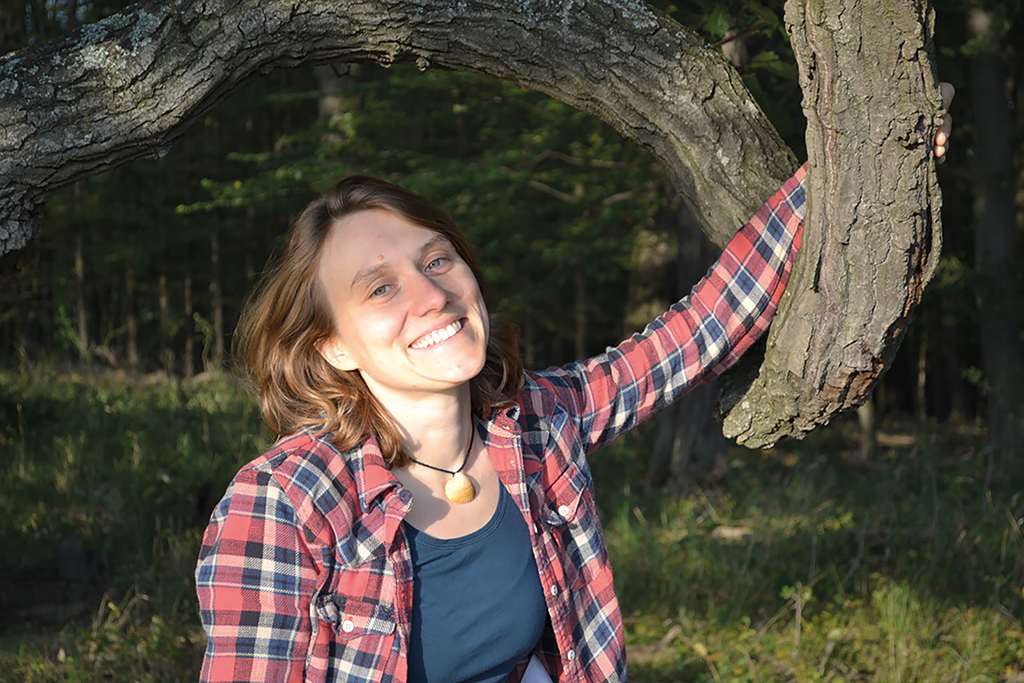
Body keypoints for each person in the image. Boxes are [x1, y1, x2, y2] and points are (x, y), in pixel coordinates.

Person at [196, 85, 954, 683]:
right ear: (332, 347)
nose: (431, 295)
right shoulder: (284, 504)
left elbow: (698, 331)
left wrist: (864, 158)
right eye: (381, 288)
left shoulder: (533, 422)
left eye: (437, 260)